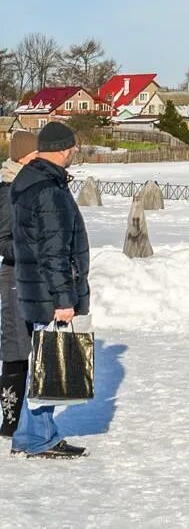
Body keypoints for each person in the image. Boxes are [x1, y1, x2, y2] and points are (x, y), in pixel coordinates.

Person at [9, 121, 91, 458]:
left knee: (43, 364)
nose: (73, 152)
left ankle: (31, 434)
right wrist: (63, 299)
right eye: (72, 147)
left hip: (33, 288)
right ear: (63, 149)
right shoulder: (49, 191)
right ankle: (37, 438)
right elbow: (54, 250)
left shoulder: (29, 181)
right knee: (50, 367)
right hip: (48, 292)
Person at [1, 130, 37, 438]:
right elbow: (4, 241)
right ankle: (9, 420)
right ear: (24, 157)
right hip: (14, 276)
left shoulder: (30, 187)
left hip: (33, 275)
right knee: (15, 346)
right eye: (36, 156)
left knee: (31, 347)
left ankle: (30, 414)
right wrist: (31, 249)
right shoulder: (8, 190)